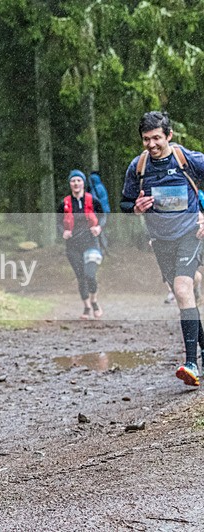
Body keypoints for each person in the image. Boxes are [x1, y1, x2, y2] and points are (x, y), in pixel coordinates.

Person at [120, 111, 204, 387]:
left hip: (190, 234)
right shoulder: (138, 167)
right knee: (183, 295)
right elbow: (124, 202)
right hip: (160, 241)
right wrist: (135, 207)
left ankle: (192, 363)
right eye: (146, 139)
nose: (152, 144)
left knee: (182, 289)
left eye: (157, 138)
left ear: (168, 136)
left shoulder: (187, 160)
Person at [58, 170, 104, 319]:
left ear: (83, 183)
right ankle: (86, 307)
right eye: (73, 181)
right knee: (80, 276)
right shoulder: (64, 203)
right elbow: (58, 222)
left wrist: (99, 227)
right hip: (72, 246)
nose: (76, 183)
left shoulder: (93, 200)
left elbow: (103, 216)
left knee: (89, 274)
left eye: (79, 180)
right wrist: (62, 232)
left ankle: (94, 302)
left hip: (91, 242)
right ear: (70, 184)